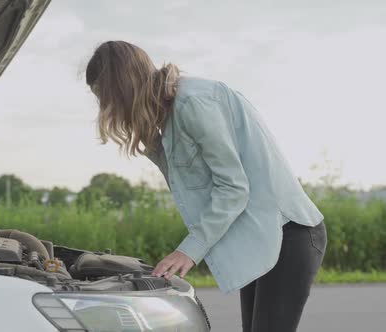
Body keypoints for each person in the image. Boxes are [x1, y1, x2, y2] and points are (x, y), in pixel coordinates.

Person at [84, 40, 327, 332]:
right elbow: (189, 182)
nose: (107, 108)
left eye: (107, 98)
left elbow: (233, 188)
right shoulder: (173, 112)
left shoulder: (193, 103)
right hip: (262, 236)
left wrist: (188, 251)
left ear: (122, 87)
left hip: (289, 233)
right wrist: (153, 144)